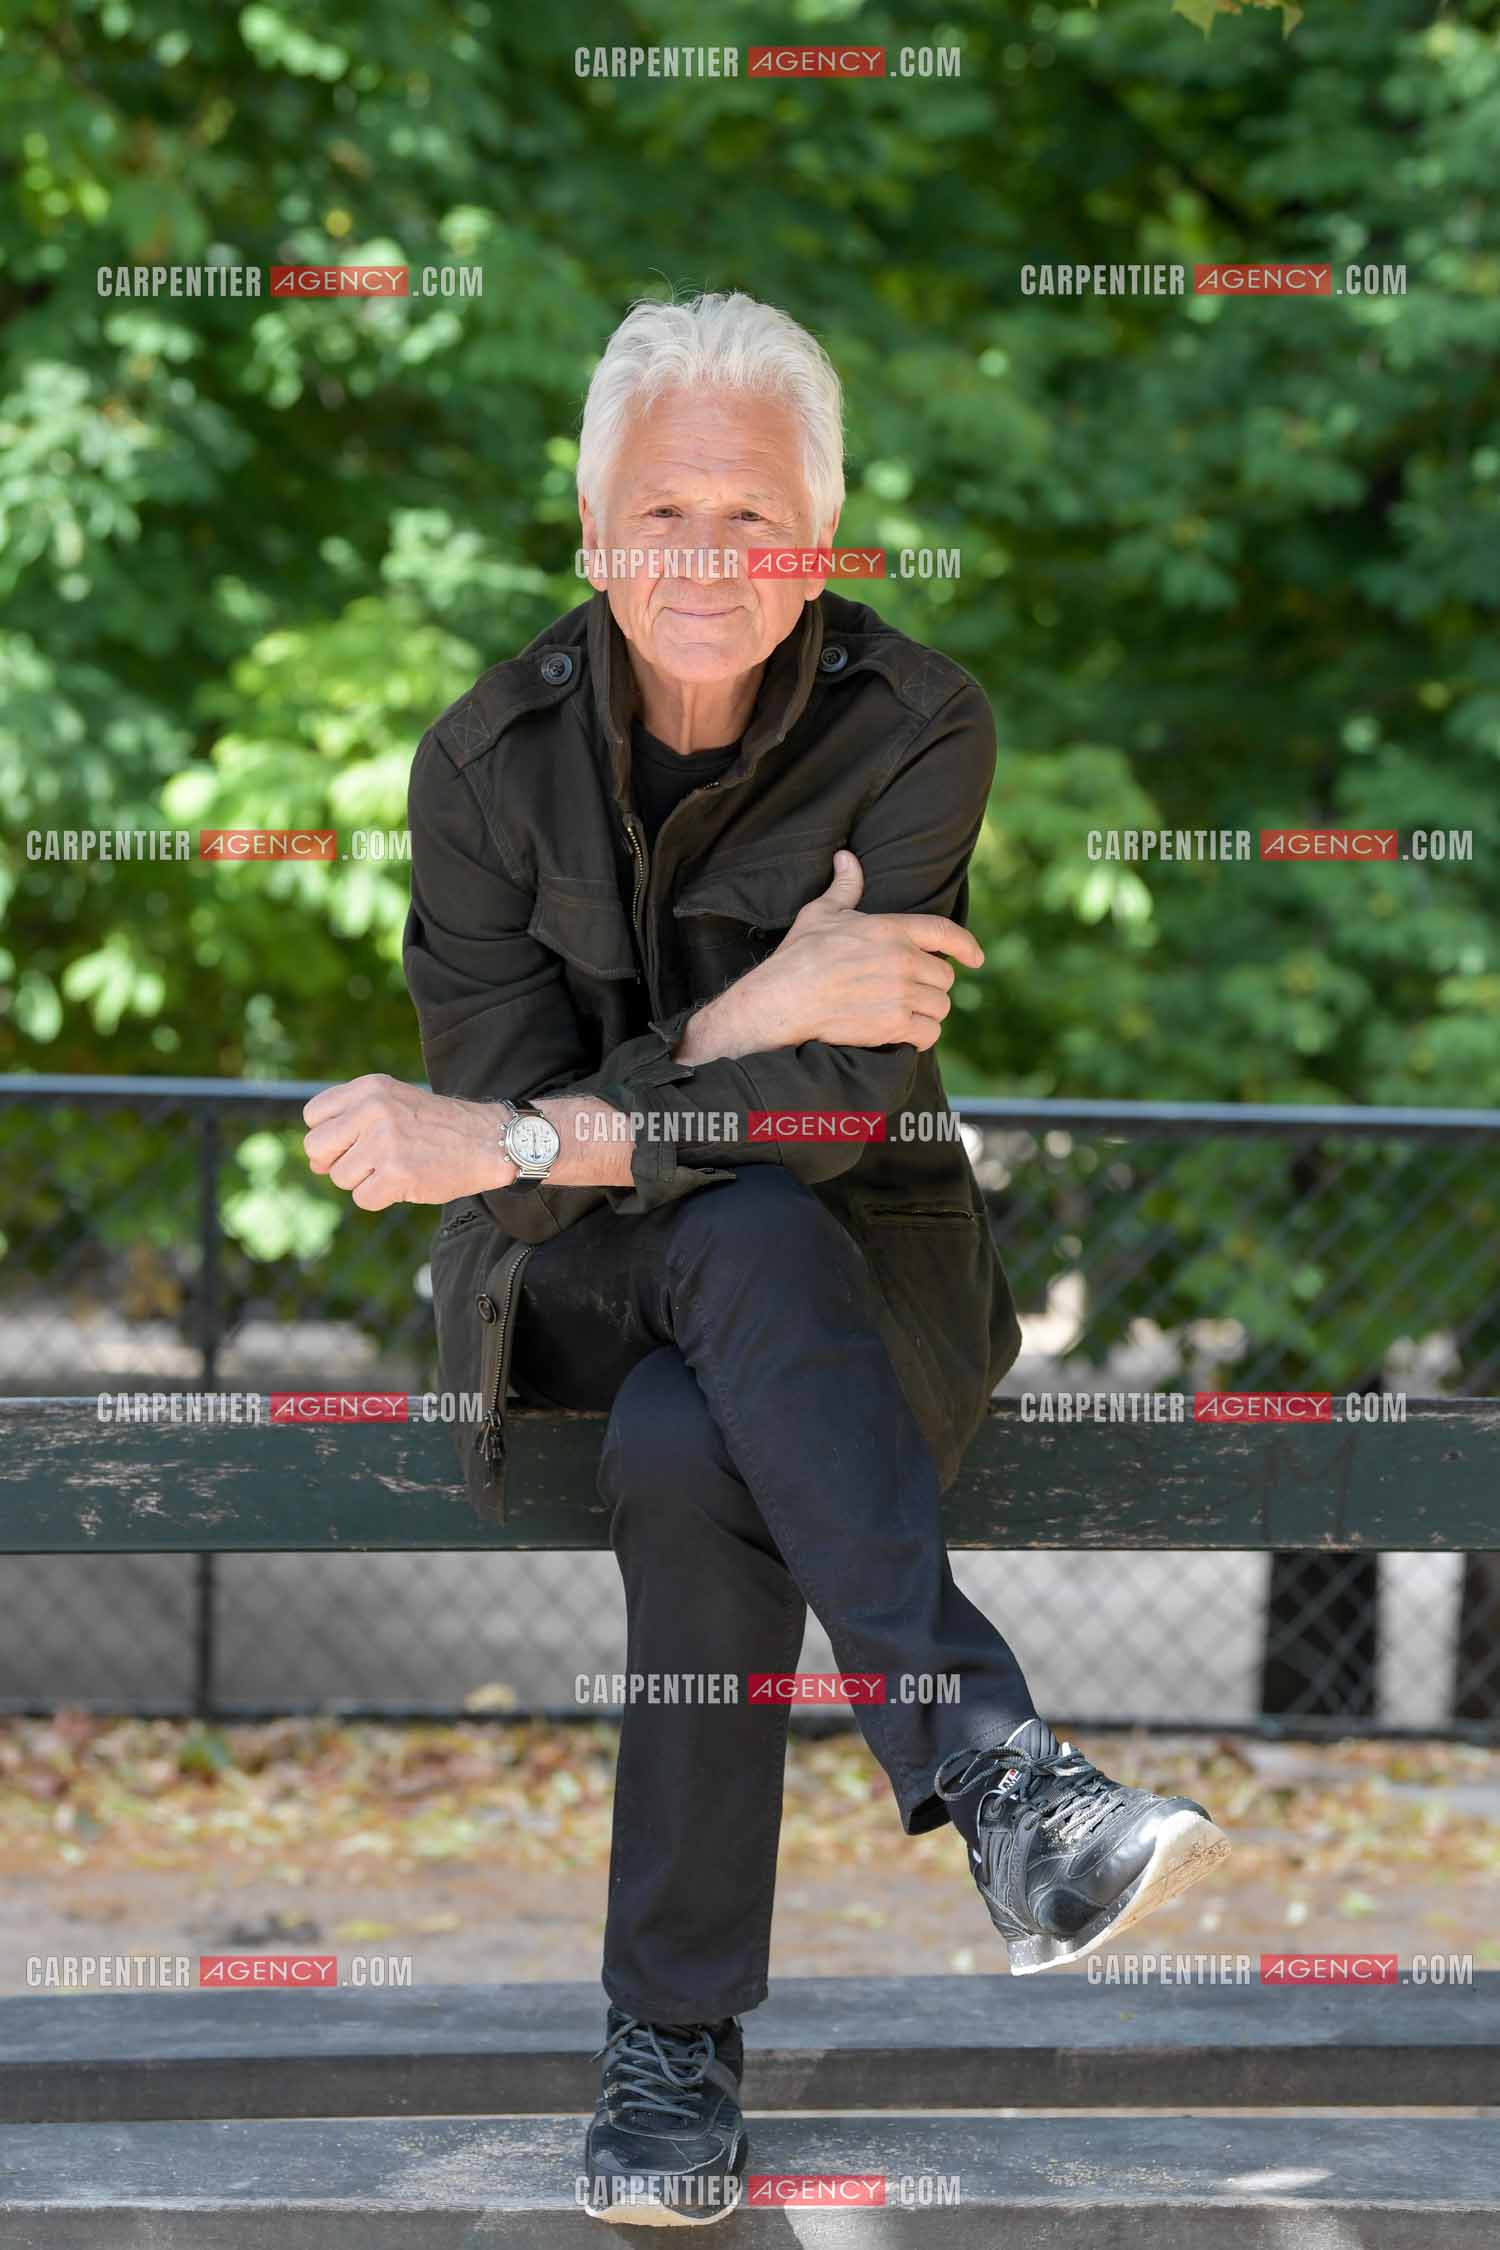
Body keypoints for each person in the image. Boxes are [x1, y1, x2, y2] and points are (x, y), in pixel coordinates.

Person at [303, 291, 1230, 2229]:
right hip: (567, 1284)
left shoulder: (919, 722)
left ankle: (671, 2065)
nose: (703, 560)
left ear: (822, 533)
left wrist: (599, 1107)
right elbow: (510, 1151)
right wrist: (735, 1029)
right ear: (585, 529)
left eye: (752, 516)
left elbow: (830, 1101)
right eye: (661, 513)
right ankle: (1006, 1783)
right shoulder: (483, 762)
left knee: (685, 1429)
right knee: (712, 1229)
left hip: (855, 1272)